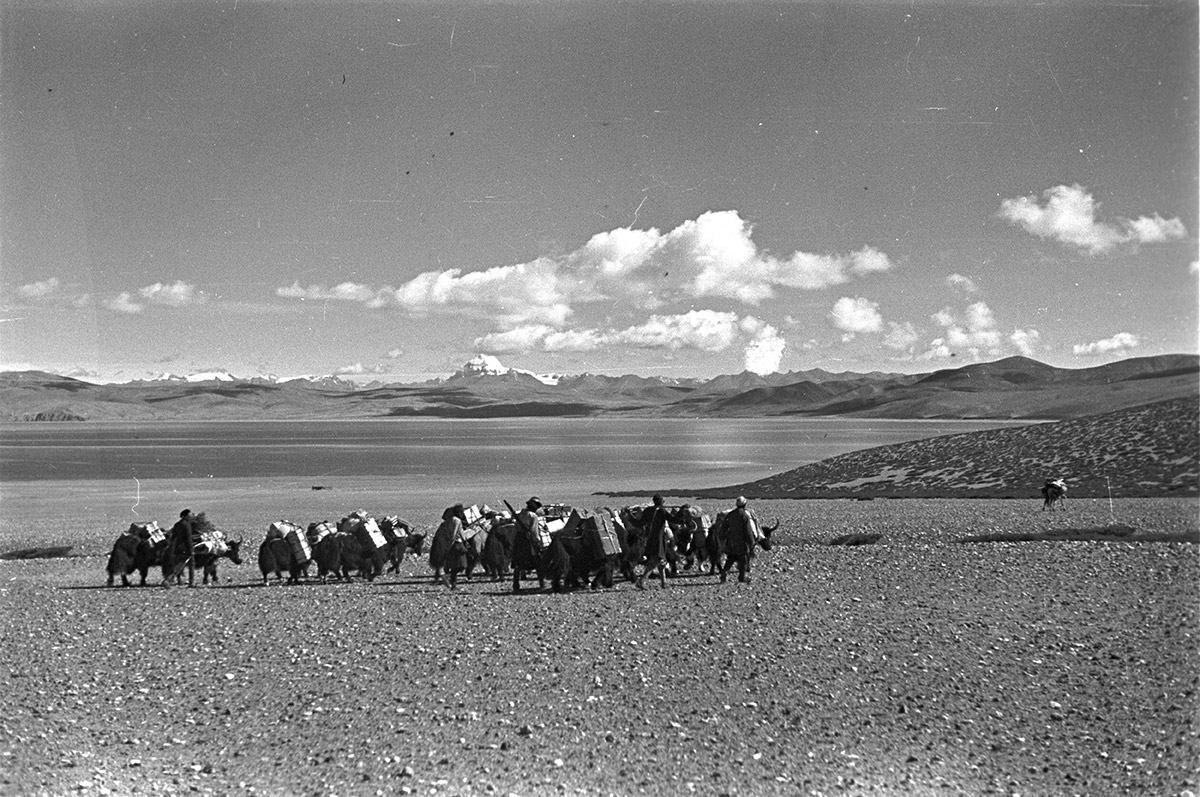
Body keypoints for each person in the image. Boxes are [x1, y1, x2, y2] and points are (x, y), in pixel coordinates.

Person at [636, 494, 676, 590]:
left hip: (650, 538)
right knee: (657, 559)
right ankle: (642, 580)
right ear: (661, 501)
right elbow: (674, 520)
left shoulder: (648, 511)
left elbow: (640, 522)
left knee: (661, 561)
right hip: (659, 538)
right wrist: (682, 513)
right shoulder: (662, 511)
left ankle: (664, 582)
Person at [719, 496, 758, 584]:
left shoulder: (730, 514)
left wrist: (722, 538)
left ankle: (724, 572)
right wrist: (752, 542)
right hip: (742, 542)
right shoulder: (744, 516)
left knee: (731, 558)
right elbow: (748, 530)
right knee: (743, 559)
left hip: (731, 541)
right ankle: (742, 577)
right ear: (745, 504)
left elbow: (724, 528)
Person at [429, 505, 467, 587]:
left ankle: (450, 582)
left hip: (449, 544)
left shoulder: (446, 523)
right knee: (460, 565)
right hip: (456, 544)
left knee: (452, 565)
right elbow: (454, 534)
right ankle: (452, 581)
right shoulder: (456, 520)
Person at [163, 509, 196, 587]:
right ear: (186, 515)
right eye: (190, 514)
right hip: (185, 549)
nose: (191, 516)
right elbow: (188, 539)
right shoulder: (187, 525)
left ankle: (167, 580)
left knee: (177, 565)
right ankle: (191, 582)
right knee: (191, 564)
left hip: (177, 548)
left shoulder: (177, 524)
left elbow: (173, 537)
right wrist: (191, 550)